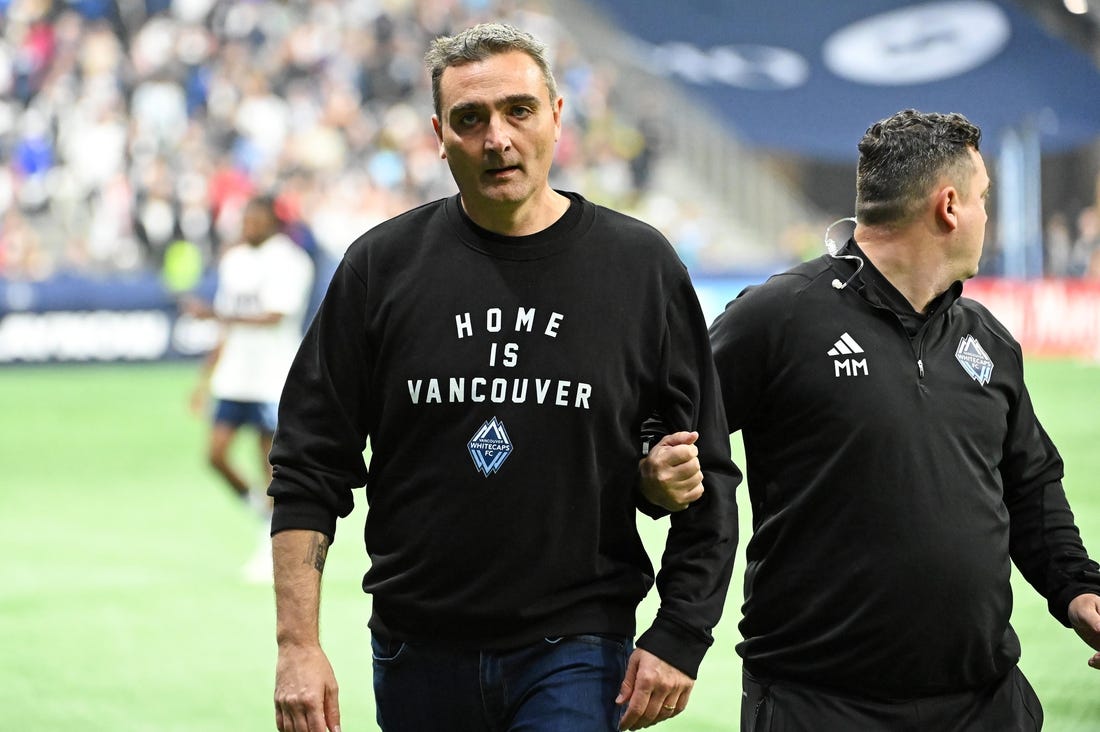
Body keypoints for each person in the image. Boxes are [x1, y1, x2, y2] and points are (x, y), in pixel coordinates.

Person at [267, 22, 740, 732]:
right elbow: (310, 464)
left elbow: (702, 465)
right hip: (415, 647)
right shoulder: (380, 268)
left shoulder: (638, 267)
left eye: (518, 110)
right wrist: (297, 646)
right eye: (471, 118)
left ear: (555, 114)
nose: (497, 138)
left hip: (576, 647)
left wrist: (681, 631)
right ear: (438, 134)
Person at [651, 109, 1100, 730]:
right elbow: (665, 431)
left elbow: (1031, 486)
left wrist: (1079, 588)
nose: (986, 216)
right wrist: (654, 487)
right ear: (948, 206)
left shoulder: (987, 341)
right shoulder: (779, 318)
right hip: (819, 704)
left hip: (982, 702)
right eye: (983, 198)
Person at [184, 195, 315, 581]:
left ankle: (270, 546)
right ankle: (263, 516)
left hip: (273, 377)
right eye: (245, 219)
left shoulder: (291, 261)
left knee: (269, 465)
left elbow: (276, 315)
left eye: (254, 219)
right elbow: (227, 327)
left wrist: (217, 314)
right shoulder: (235, 260)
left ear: (272, 222)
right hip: (235, 376)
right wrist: (204, 379)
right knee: (215, 455)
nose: (247, 225)